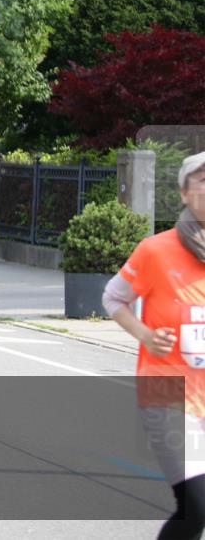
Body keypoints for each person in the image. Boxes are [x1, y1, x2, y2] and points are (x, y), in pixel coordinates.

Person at [103, 150, 205, 539]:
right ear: (183, 192)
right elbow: (113, 298)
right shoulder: (156, 251)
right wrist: (145, 334)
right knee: (195, 509)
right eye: (203, 180)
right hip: (167, 393)